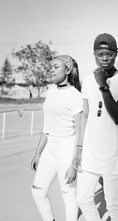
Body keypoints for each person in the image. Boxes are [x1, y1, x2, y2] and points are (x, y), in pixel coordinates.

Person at [74, 33, 118, 221]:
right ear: (94, 54)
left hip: (112, 153)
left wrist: (103, 85)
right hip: (90, 152)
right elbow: (85, 116)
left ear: (115, 54)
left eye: (108, 54)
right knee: (83, 198)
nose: (104, 58)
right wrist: (79, 148)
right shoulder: (86, 81)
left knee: (113, 202)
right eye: (100, 54)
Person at [31, 54, 83, 221]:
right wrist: (38, 153)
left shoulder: (75, 95)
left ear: (67, 70)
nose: (51, 70)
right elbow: (47, 126)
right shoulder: (50, 91)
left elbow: (80, 130)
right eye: (50, 66)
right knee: (38, 191)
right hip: (50, 147)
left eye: (56, 67)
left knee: (68, 194)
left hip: (67, 147)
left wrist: (75, 162)